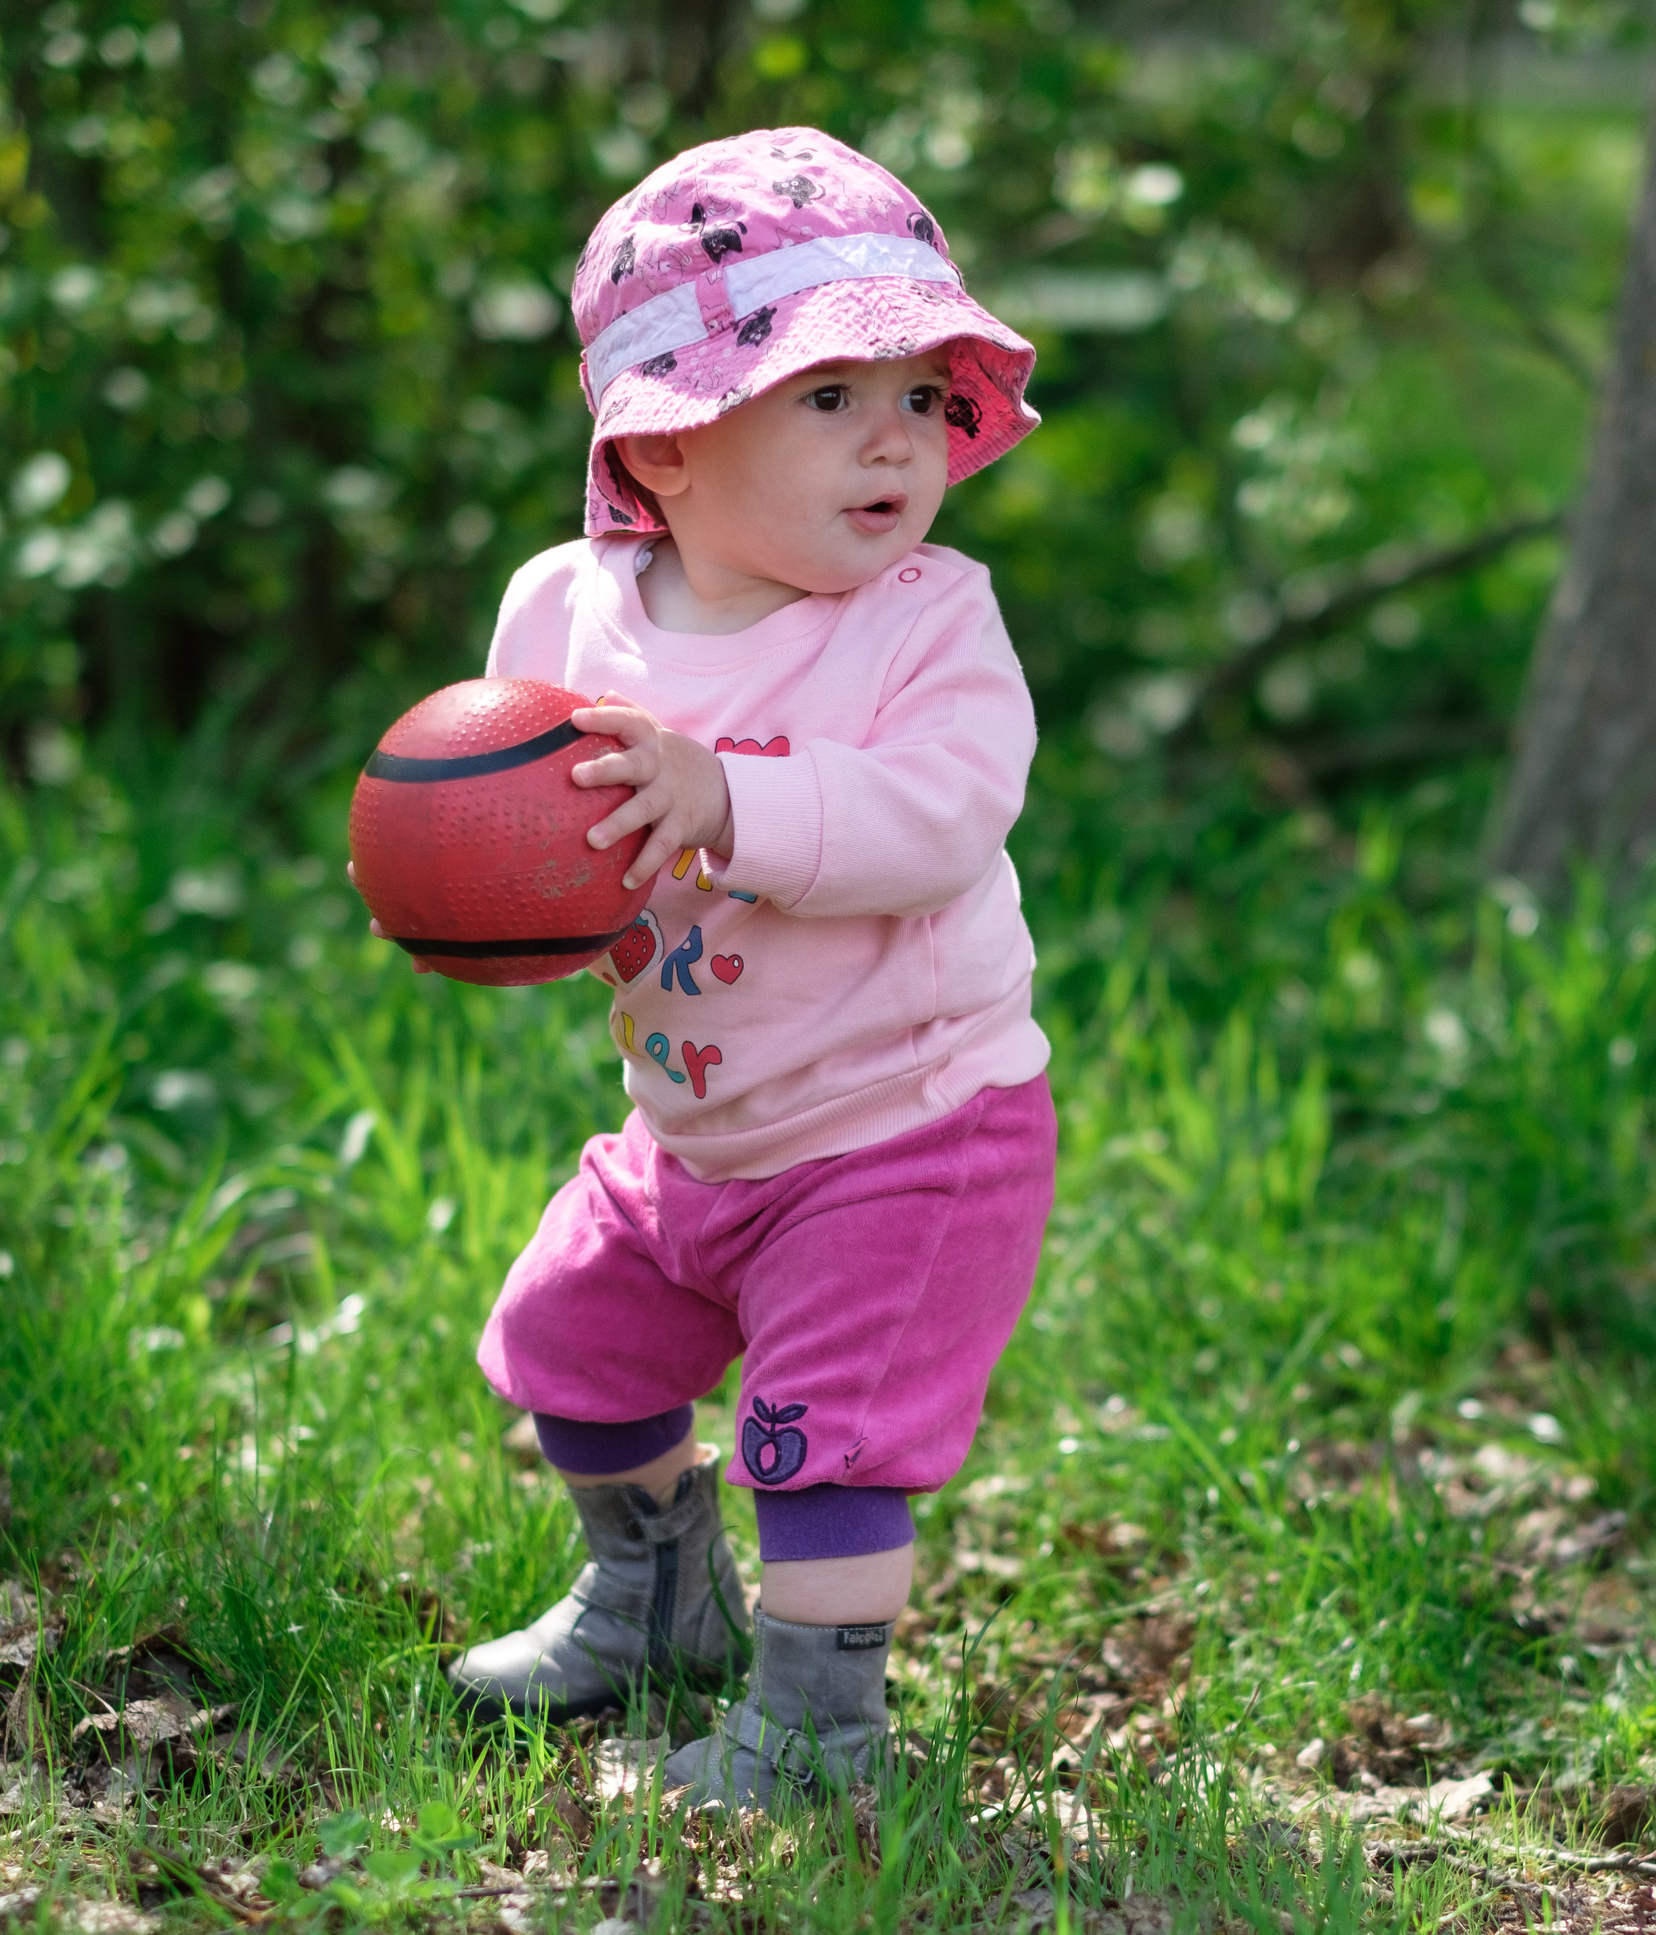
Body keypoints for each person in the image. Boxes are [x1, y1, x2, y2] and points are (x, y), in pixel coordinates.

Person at [440, 127, 1054, 1811]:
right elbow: (517, 810)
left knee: (823, 1441)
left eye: (923, 395)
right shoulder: (568, 610)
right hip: (692, 1128)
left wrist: (731, 800)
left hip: (906, 1133)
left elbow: (941, 819)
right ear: (671, 439)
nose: (899, 437)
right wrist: (479, 888)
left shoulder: (929, 620)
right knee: (570, 1342)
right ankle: (656, 1604)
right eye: (829, 394)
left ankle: (816, 1729)